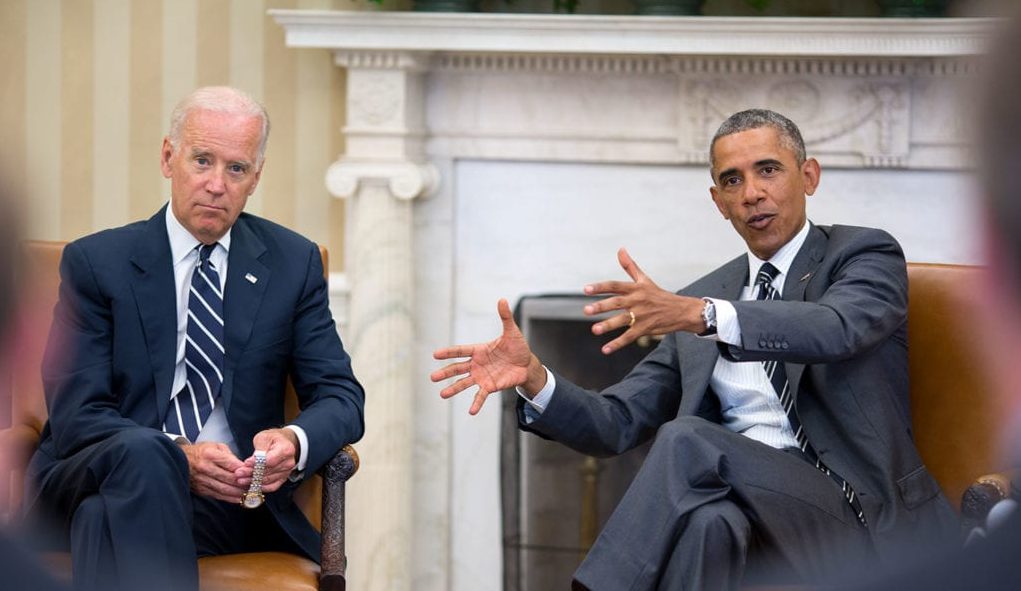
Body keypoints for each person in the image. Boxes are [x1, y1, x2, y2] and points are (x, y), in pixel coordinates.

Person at [432, 109, 958, 590]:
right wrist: (535, 378)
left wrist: (706, 316)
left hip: (859, 518)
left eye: (768, 170)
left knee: (688, 439)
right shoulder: (701, 297)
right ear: (718, 202)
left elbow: (836, 328)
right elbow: (616, 421)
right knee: (710, 522)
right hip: (751, 516)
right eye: (732, 180)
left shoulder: (862, 254)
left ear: (809, 176)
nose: (751, 193)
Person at [23, 86, 365, 591]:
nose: (216, 185)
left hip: (226, 501)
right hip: (93, 470)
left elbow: (342, 396)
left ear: (256, 178)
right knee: (144, 458)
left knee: (101, 519)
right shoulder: (98, 264)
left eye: (236, 169)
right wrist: (178, 456)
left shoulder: (292, 264)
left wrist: (295, 440)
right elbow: (78, 414)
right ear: (169, 158)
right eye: (202, 161)